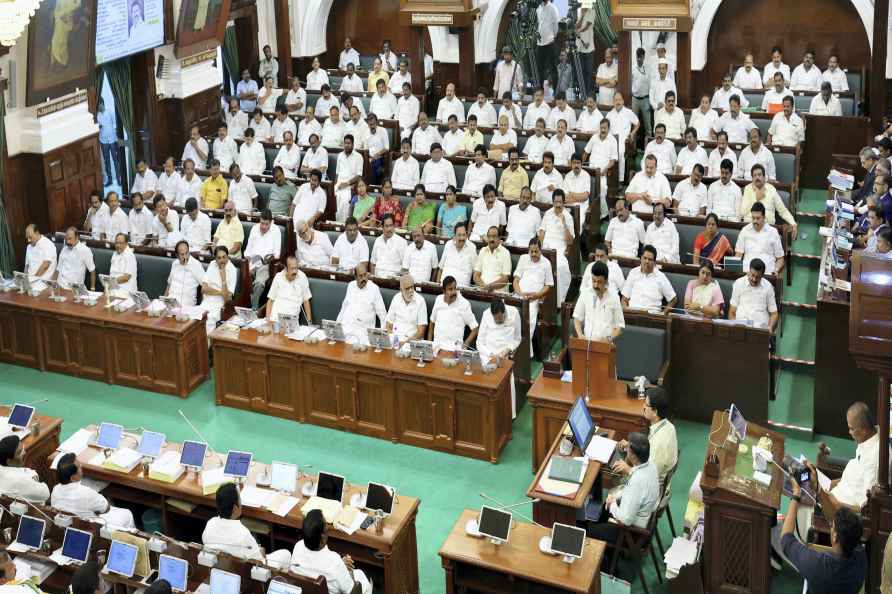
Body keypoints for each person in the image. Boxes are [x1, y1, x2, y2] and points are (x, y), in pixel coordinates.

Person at [782, 478, 866, 594]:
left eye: (832, 526)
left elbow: (786, 540)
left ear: (835, 537)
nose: (831, 525)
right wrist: (819, 490)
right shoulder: (861, 558)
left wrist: (796, 494)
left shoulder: (818, 564)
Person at [585, 432, 659, 543]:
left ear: (633, 455)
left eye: (628, 449)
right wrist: (614, 499)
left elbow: (626, 520)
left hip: (630, 532)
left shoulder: (637, 481)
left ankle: (606, 555)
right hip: (640, 516)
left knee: (589, 531)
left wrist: (612, 504)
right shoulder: (651, 466)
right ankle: (598, 522)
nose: (626, 449)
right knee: (606, 505)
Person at [204, 483, 291, 565]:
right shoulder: (242, 534)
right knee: (286, 554)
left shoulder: (210, 524)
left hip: (219, 566)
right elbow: (259, 562)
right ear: (234, 508)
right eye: (239, 499)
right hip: (243, 571)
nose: (241, 502)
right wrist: (261, 552)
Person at [291, 509, 373, 594]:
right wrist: (349, 572)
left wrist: (341, 565)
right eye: (326, 524)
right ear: (322, 537)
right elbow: (353, 591)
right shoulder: (334, 562)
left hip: (306, 590)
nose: (327, 527)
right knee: (361, 575)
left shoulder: (298, 547)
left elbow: (319, 567)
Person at [51, 452, 135, 528]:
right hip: (92, 527)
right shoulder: (86, 493)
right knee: (127, 514)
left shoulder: (55, 490)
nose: (81, 467)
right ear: (73, 478)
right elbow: (106, 509)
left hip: (69, 525)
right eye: (79, 467)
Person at [615, 387, 678, 484]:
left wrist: (628, 470)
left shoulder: (659, 443)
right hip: (650, 471)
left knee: (615, 477)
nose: (643, 406)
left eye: (646, 405)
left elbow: (650, 476)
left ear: (655, 412)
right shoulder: (668, 426)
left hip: (650, 485)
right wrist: (631, 446)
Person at [513, 238, 553, 342]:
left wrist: (537, 295)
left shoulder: (546, 263)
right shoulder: (523, 258)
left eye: (536, 251)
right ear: (528, 250)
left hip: (534, 299)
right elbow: (515, 281)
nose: (534, 254)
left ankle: (524, 349)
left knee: (529, 322)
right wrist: (520, 294)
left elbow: (548, 285)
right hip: (519, 296)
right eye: (531, 251)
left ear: (541, 250)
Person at [337, 263, 387, 343]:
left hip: (363, 334)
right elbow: (343, 308)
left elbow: (383, 315)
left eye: (365, 275)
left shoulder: (374, 289)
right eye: (360, 276)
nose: (364, 278)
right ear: (355, 277)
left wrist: (382, 337)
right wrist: (337, 327)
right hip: (346, 330)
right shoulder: (351, 286)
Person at [538, 190, 574, 303]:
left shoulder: (568, 217)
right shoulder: (548, 213)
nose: (558, 205)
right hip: (545, 247)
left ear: (564, 202)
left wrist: (564, 223)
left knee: (561, 267)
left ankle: (558, 302)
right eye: (556, 202)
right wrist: (540, 246)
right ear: (553, 202)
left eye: (560, 202)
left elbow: (570, 242)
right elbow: (542, 232)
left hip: (559, 249)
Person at [740, 164, 797, 233]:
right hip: (750, 229)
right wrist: (756, 199)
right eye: (754, 175)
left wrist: (793, 223)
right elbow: (742, 213)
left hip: (768, 230)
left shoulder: (771, 189)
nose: (757, 177)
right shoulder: (747, 189)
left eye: (759, 175)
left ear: (764, 177)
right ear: (752, 178)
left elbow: (783, 211)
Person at [621, 245, 677, 313]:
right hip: (633, 313)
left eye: (650, 259)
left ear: (654, 262)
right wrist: (626, 311)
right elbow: (624, 299)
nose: (647, 261)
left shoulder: (661, 277)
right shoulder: (633, 273)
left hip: (652, 316)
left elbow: (673, 299)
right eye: (645, 258)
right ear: (641, 258)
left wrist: (663, 314)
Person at [243, 210, 282, 308]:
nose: (263, 226)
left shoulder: (276, 231)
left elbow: (277, 255)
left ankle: (254, 308)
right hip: (252, 261)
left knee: (259, 283)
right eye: (262, 223)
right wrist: (248, 265)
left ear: (271, 222)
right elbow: (247, 251)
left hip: (266, 264)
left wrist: (267, 260)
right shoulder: (254, 228)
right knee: (243, 275)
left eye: (266, 224)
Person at [429, 275, 479, 351]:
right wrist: (429, 343)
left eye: (454, 288)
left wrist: (466, 344)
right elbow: (432, 321)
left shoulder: (464, 304)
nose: (453, 292)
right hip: (436, 347)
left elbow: (475, 329)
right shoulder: (438, 299)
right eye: (450, 289)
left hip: (454, 349)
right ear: (444, 291)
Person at [729, 257, 778, 331]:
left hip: (760, 329)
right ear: (748, 271)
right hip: (740, 327)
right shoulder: (738, 283)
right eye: (752, 275)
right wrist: (734, 328)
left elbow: (774, 314)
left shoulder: (768, 287)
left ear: (762, 276)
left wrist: (770, 328)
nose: (754, 279)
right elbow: (732, 312)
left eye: (758, 277)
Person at [582, 118, 619, 218]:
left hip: (603, 172)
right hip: (590, 171)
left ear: (608, 128)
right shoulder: (594, 137)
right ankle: (587, 212)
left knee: (601, 189)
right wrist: (581, 165)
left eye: (605, 128)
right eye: (601, 128)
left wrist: (605, 170)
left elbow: (613, 161)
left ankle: (604, 213)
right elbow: (586, 153)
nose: (603, 130)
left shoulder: (613, 140)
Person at [736, 202, 785, 275]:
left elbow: (780, 258)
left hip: (767, 274)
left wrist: (776, 269)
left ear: (764, 217)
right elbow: (738, 255)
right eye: (753, 218)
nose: (755, 221)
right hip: (747, 273)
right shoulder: (744, 230)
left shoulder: (773, 232)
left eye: (758, 218)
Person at [0, 435, 49, 503]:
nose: (24, 452)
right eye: (19, 452)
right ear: (9, 461)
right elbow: (46, 493)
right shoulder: (21, 480)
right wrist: (34, 476)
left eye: (22, 448)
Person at [265, 255, 312, 323]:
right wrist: (267, 319)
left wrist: (309, 321)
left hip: (291, 322)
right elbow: (270, 300)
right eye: (292, 269)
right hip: (274, 319)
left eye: (296, 268)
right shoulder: (278, 277)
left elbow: (306, 301)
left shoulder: (302, 277)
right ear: (286, 268)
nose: (295, 271)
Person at [200, 246, 237, 331]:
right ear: (216, 259)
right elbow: (203, 289)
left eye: (224, 257)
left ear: (228, 257)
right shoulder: (212, 264)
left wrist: (223, 279)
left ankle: (208, 344)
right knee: (196, 319)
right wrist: (221, 292)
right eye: (219, 258)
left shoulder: (232, 270)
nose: (222, 260)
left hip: (219, 305)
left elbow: (227, 299)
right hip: (206, 302)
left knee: (209, 319)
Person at [385, 274, 427, 343]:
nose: (410, 291)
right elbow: (389, 325)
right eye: (407, 288)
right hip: (395, 341)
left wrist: (404, 343)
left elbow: (421, 332)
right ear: (401, 290)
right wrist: (394, 340)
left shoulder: (420, 301)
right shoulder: (396, 298)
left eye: (412, 287)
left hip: (411, 342)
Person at [165, 240, 204, 307]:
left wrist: (203, 306)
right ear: (177, 255)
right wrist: (164, 301)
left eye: (186, 253)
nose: (185, 257)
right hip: (170, 303)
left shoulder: (196, 265)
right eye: (182, 254)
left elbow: (205, 286)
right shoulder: (174, 264)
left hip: (186, 305)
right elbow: (169, 285)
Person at [335, 135, 364, 221]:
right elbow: (337, 173)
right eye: (345, 143)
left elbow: (359, 176)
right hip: (338, 185)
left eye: (349, 143)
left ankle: (343, 224)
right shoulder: (340, 155)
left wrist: (347, 184)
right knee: (331, 197)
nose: (347, 145)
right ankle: (335, 223)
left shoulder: (358, 157)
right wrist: (336, 185)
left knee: (344, 201)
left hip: (350, 186)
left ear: (353, 144)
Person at [473, 226, 511, 291]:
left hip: (497, 293)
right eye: (489, 236)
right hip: (481, 291)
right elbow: (476, 275)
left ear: (499, 238)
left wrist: (490, 286)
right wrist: (483, 286)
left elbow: (505, 278)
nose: (491, 239)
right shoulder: (483, 251)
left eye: (494, 236)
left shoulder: (505, 253)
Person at [535, 0, 560, 87]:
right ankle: (540, 91)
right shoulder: (538, 8)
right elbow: (539, 23)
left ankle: (555, 93)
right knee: (539, 69)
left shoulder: (553, 8)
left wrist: (552, 36)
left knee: (552, 68)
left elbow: (556, 26)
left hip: (550, 42)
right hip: (540, 43)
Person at [97, 99, 121, 187]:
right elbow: (97, 127)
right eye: (98, 105)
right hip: (103, 141)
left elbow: (115, 124)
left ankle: (119, 179)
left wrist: (116, 137)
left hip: (112, 140)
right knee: (106, 161)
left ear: (103, 103)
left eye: (100, 104)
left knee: (116, 160)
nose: (99, 107)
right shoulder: (97, 115)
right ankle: (110, 180)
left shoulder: (110, 111)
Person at [630, 48, 652, 137]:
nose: (639, 59)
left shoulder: (648, 68)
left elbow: (651, 84)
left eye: (641, 57)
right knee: (634, 124)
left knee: (648, 125)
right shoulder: (632, 68)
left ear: (644, 57)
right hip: (635, 99)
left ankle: (648, 148)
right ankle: (633, 148)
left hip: (646, 99)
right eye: (637, 57)